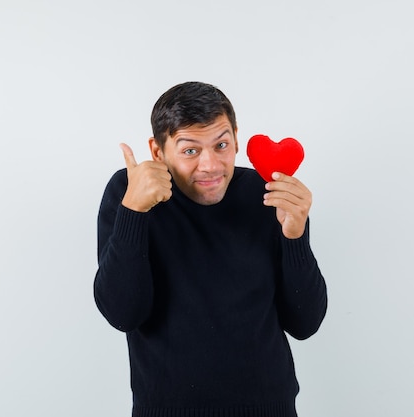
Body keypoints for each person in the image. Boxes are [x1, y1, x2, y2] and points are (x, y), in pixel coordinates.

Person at [93, 81, 328, 417]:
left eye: (221, 145)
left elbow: (305, 323)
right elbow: (123, 313)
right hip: (166, 408)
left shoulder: (268, 195)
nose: (211, 165)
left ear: (235, 137)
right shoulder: (130, 191)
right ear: (158, 152)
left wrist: (295, 236)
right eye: (190, 150)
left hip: (268, 407)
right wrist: (134, 211)